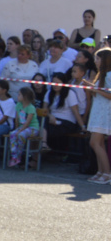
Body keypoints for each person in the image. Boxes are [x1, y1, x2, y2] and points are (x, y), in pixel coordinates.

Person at [43, 71, 86, 155]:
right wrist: (50, 116)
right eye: (53, 82)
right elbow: (44, 109)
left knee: (42, 127)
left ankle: (43, 146)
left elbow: (75, 112)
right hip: (51, 120)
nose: (55, 85)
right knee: (41, 122)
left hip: (66, 122)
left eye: (58, 83)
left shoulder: (70, 93)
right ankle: (42, 147)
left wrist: (83, 126)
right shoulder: (49, 93)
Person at [85, 48, 111, 184]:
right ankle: (100, 172)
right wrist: (91, 87)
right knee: (98, 143)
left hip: (104, 113)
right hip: (98, 111)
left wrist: (96, 90)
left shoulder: (109, 75)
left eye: (98, 58)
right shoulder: (102, 75)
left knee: (94, 143)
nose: (95, 61)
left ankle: (107, 173)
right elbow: (99, 92)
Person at [8, 87, 40, 168]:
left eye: (19, 95)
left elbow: (28, 122)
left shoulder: (31, 108)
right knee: (12, 134)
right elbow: (17, 119)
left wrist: (20, 131)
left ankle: (19, 155)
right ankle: (14, 156)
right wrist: (17, 129)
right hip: (23, 128)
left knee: (20, 135)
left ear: (25, 97)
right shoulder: (18, 105)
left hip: (32, 128)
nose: (17, 96)